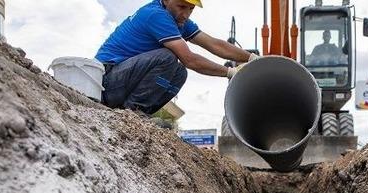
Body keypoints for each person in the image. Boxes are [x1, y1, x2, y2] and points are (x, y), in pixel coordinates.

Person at [95, 0, 257, 115]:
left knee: (179, 73)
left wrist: (252, 58)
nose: (185, 14)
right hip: (106, 81)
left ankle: (139, 113)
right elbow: (190, 59)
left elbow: (214, 44)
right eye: (181, 6)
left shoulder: (179, 21)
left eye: (190, 9)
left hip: (123, 79)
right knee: (168, 57)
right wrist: (231, 72)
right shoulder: (156, 15)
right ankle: (131, 112)